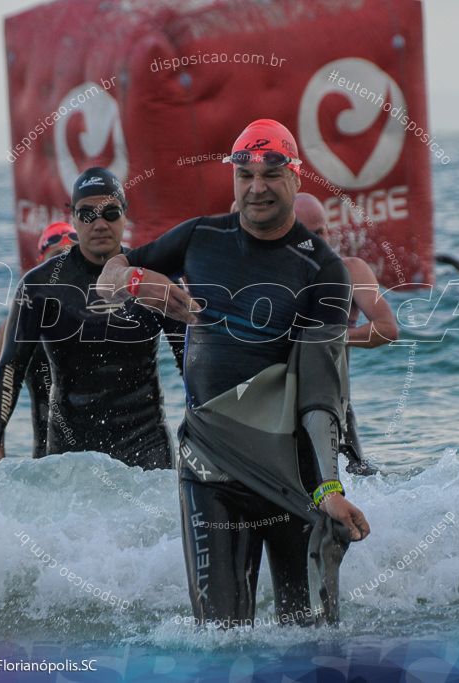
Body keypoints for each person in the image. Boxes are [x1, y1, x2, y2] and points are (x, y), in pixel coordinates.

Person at [98, 119, 370, 627]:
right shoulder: (201, 236)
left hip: (288, 467)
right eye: (244, 174)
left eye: (270, 173)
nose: (257, 186)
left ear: (295, 177)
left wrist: (329, 487)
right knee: (218, 640)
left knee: (310, 640)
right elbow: (105, 278)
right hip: (210, 466)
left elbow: (320, 391)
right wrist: (137, 279)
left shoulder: (323, 270)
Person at [0, 169, 185, 471]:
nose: (100, 224)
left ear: (125, 215)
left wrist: (212, 429)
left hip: (147, 449)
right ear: (74, 219)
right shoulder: (40, 285)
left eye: (110, 213)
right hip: (70, 454)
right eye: (87, 214)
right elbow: (11, 365)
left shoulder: (153, 277)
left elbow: (191, 358)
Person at [295, 192, 397, 476]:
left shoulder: (351, 271)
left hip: (334, 410)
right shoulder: (270, 277)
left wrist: (331, 337)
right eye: (307, 237)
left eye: (322, 232)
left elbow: (387, 329)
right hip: (277, 413)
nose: (320, 244)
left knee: (352, 488)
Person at [0, 222, 78, 459]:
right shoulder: (15, 326)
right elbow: (0, 390)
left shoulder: (98, 316)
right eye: (58, 255)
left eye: (72, 254)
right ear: (42, 262)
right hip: (47, 457)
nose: (65, 262)